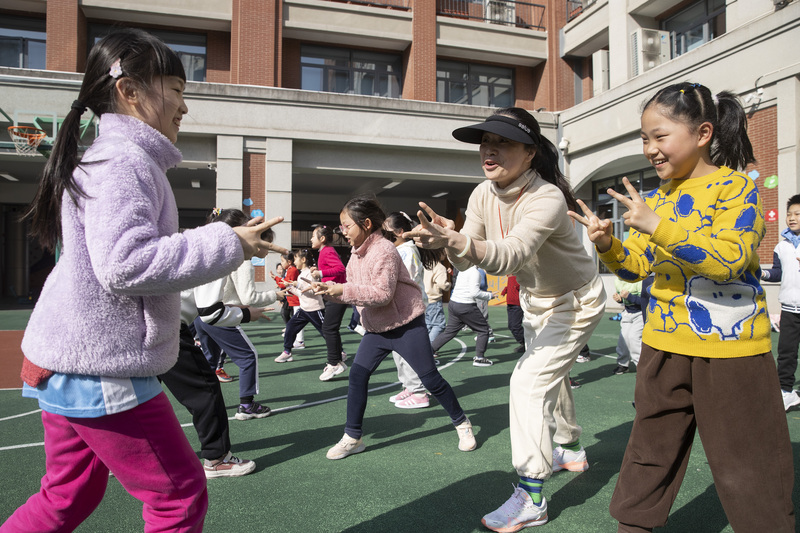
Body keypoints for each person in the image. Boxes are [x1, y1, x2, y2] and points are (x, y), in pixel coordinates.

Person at [4, 29, 277, 532]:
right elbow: (126, 264)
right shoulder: (124, 161)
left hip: (68, 359)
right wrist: (229, 243)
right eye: (175, 89)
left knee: (68, 494)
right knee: (178, 497)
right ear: (130, 91)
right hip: (102, 366)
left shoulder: (111, 158)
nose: (183, 106)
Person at [570, 82, 794, 532]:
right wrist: (609, 244)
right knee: (649, 451)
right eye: (644, 139)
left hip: (731, 351)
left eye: (660, 136)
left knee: (750, 461)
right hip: (663, 344)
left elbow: (730, 259)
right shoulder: (654, 197)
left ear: (703, 132)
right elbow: (635, 269)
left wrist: (658, 226)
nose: (651, 149)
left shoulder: (737, 187)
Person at [406, 107, 606, 531]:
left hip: (576, 301)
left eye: (502, 143)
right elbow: (467, 261)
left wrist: (457, 238)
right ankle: (569, 447)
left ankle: (531, 495)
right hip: (536, 301)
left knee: (527, 381)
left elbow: (510, 254)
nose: (489, 151)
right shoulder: (482, 193)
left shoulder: (547, 197)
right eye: (485, 143)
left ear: (531, 153)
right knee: (552, 375)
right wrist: (451, 240)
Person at [313, 195, 476, 460]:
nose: (342, 232)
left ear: (365, 224)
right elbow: (355, 293)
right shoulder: (354, 257)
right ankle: (353, 437)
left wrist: (341, 289)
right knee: (357, 376)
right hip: (377, 331)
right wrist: (328, 292)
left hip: (406, 326)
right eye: (341, 226)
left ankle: (462, 423)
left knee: (430, 379)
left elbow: (382, 294)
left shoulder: (385, 250)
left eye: (346, 226)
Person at [191, 208, 286, 420]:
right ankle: (246, 405)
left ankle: (204, 403)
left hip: (201, 315)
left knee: (210, 360)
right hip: (218, 315)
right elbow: (248, 298)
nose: (266, 249)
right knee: (248, 356)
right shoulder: (242, 260)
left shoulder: (215, 253)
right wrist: (276, 295)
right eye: (265, 244)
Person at [383, 211, 441, 409]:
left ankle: (418, 392)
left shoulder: (406, 251)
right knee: (399, 352)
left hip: (408, 310)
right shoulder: (401, 250)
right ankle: (409, 386)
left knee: (407, 352)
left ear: (399, 232)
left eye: (386, 232)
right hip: (401, 309)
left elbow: (399, 280)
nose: (383, 237)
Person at [762, 194, 800, 411]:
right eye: (789, 214)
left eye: (797, 214)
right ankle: (786, 392)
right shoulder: (781, 246)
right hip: (789, 309)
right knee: (786, 352)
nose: (791, 218)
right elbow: (778, 273)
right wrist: (763, 273)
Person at [431, 264, 495, 367]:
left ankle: (429, 352)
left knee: (449, 332)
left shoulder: (463, 269)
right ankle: (480, 358)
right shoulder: (475, 272)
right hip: (466, 305)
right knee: (483, 330)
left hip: (453, 303)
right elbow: (475, 293)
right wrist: (490, 295)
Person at [310, 225, 349, 381]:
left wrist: (320, 272)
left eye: (313, 236)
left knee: (328, 328)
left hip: (337, 294)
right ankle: (338, 358)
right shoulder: (325, 252)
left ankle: (334, 363)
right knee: (330, 328)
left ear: (322, 239)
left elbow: (340, 269)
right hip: (333, 294)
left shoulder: (327, 251)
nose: (311, 239)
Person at [275, 249, 327, 363]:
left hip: (315, 309)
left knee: (326, 332)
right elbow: (301, 294)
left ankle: (339, 351)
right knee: (290, 327)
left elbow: (314, 291)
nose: (294, 261)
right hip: (303, 310)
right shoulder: (300, 274)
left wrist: (297, 285)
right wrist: (290, 288)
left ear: (303, 260)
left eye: (296, 259)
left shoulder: (311, 273)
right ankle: (287, 352)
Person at [610, 278, 644, 375]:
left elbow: (645, 301)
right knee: (623, 338)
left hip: (640, 313)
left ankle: (641, 368)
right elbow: (625, 301)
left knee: (634, 338)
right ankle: (623, 365)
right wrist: (620, 300)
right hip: (627, 313)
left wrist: (629, 296)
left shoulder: (640, 280)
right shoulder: (618, 280)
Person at [424, 249, 451, 343]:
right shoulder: (440, 267)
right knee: (439, 325)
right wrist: (449, 284)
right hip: (434, 300)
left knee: (428, 325)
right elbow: (442, 284)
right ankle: (429, 348)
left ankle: (422, 346)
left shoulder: (425, 264)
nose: (446, 255)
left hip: (424, 299)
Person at [502, 275, 525, 353]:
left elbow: (521, 286)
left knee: (514, 326)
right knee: (512, 326)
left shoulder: (518, 276)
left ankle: (525, 343)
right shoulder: (510, 277)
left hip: (516, 305)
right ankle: (525, 343)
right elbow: (511, 286)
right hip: (511, 304)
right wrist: (505, 290)